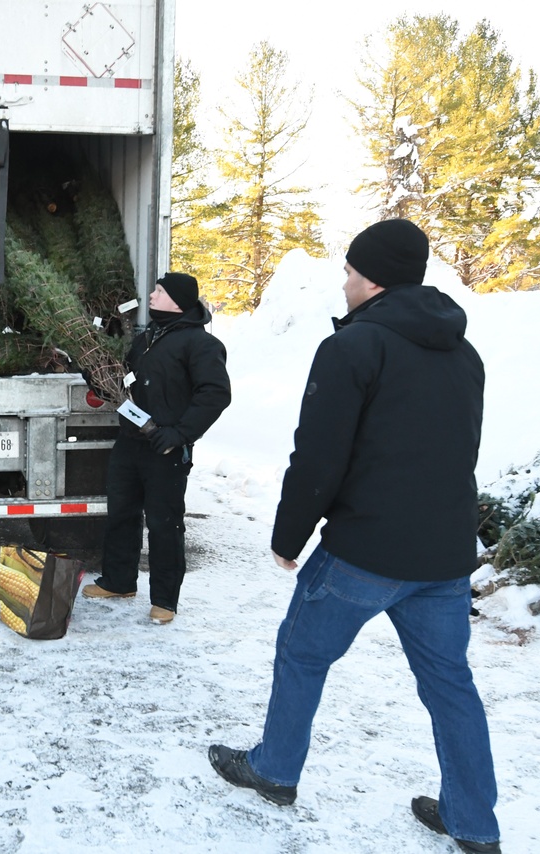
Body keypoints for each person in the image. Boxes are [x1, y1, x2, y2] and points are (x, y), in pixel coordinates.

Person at [207, 220, 500, 854]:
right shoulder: (464, 353)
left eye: (347, 271)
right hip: (445, 558)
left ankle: (274, 771)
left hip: (364, 554)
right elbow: (461, 452)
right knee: (451, 686)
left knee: (302, 655)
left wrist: (289, 536)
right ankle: (474, 822)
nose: (342, 283)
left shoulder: (354, 348)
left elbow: (318, 456)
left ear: (371, 278)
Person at [81, 272, 231, 624]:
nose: (151, 294)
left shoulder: (201, 344)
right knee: (121, 514)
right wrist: (99, 380)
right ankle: (119, 581)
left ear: (177, 302)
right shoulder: (147, 337)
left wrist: (180, 433)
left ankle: (165, 600)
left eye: (159, 291)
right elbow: (126, 386)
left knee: (164, 524)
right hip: (131, 443)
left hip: (165, 450)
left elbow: (215, 394)